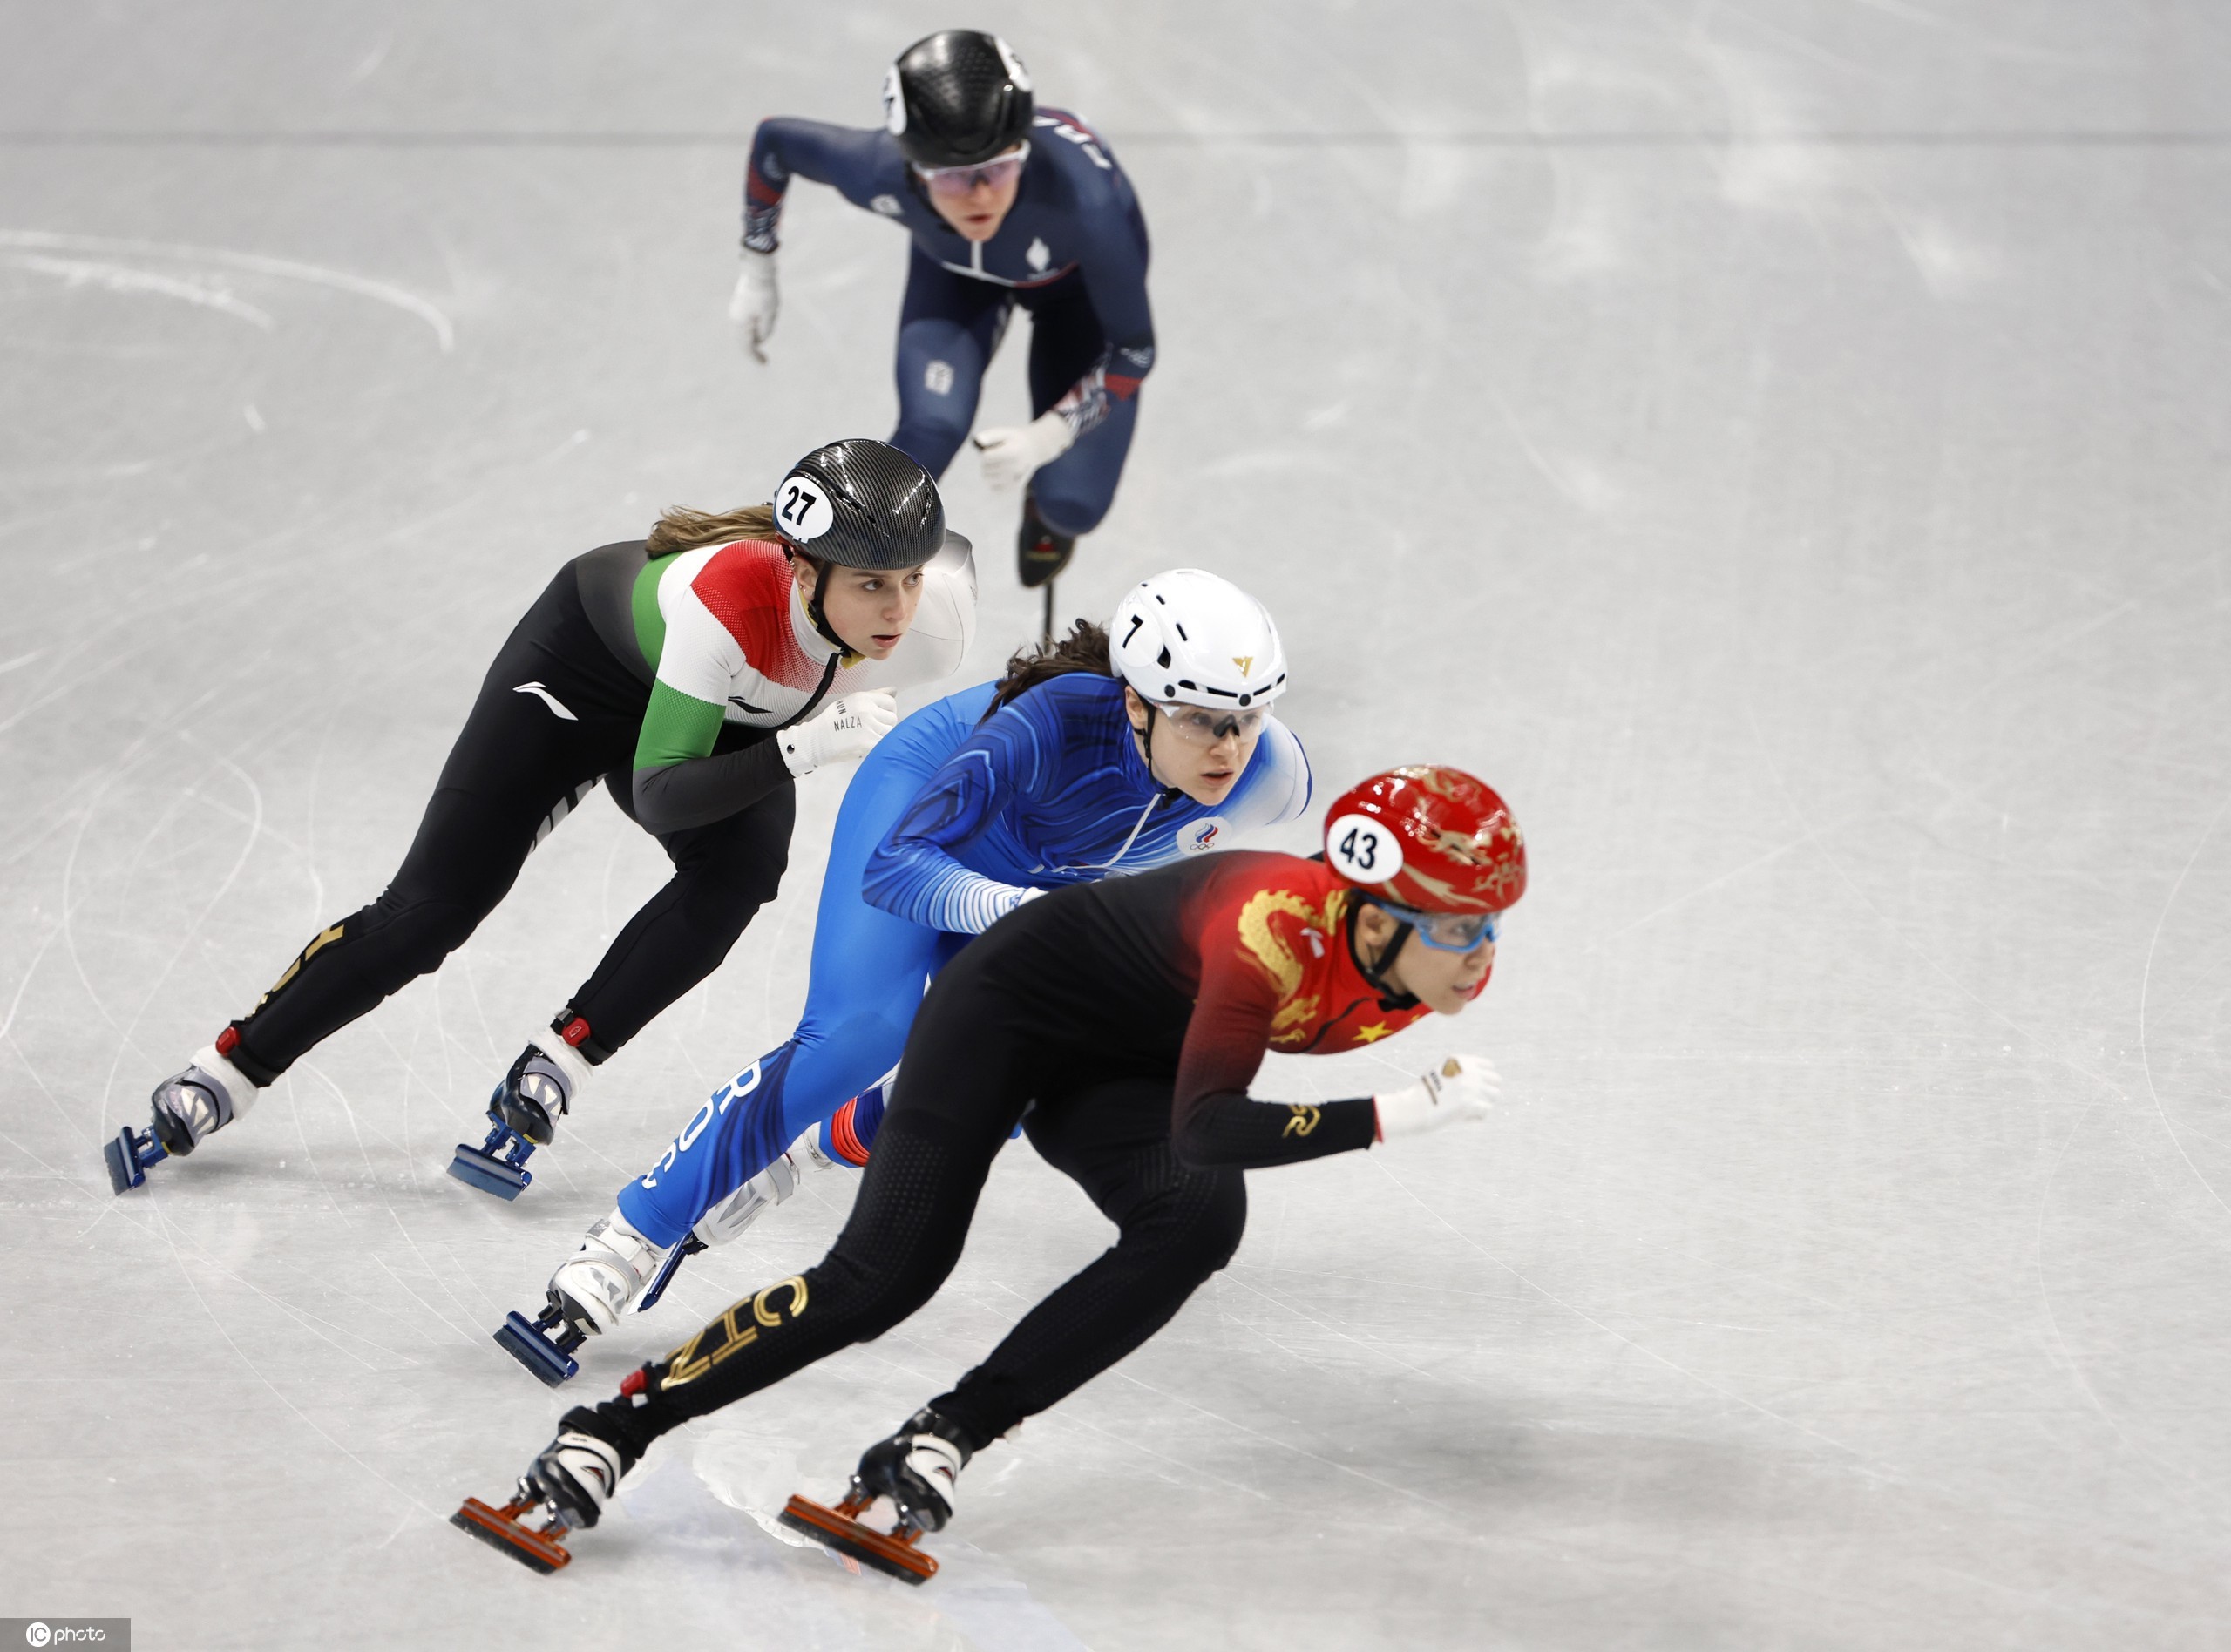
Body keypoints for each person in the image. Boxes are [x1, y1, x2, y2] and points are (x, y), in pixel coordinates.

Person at [454, 766, 1526, 1581]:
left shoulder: (1386, 963)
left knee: (1195, 1223)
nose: (1483, 955)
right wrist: (1398, 1114)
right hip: (1005, 1018)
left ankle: (940, 1438)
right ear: (1378, 917)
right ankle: (614, 1427)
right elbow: (1207, 1126)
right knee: (884, 1278)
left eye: (1491, 928)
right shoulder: (1272, 937)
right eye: (1464, 928)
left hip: (1122, 1057)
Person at [492, 569, 1312, 1385]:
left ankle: (816, 1145)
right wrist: (1018, 912)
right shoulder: (1043, 729)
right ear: (1136, 703)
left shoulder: (1272, 777)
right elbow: (899, 870)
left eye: (1247, 719)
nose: (1228, 749)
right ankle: (630, 1240)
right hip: (922, 819)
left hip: (1043, 877)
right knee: (858, 1036)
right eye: (1202, 721)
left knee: (1034, 1082)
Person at [105, 439, 977, 1198]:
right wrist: (802, 748)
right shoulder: (728, 599)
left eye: (908, 580)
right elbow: (664, 787)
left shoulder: (931, 622)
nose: (897, 611)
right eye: (871, 585)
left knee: (744, 873)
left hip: (718, 718)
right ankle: (227, 1068)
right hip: (580, 680)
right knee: (433, 910)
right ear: (800, 569)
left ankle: (559, 1061)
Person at [729, 29, 1153, 602]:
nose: (979, 197)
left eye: (999, 169)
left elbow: (1133, 349)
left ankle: (1048, 512)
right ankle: (822, 590)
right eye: (951, 178)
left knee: (1072, 504)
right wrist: (758, 267)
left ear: (1023, 151)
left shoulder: (1087, 201)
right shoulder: (876, 168)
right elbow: (774, 142)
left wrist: (1051, 435)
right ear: (911, 167)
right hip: (955, 275)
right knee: (929, 431)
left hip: (1075, 296)